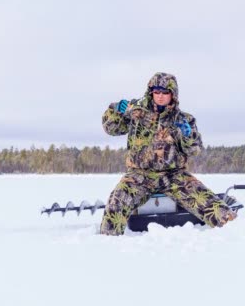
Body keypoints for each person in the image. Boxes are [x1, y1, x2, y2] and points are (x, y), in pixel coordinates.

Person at [100, 72, 237, 235]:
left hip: (174, 175)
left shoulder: (184, 119)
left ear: (173, 94)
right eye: (156, 92)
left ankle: (238, 234)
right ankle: (107, 244)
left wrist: (187, 135)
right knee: (116, 203)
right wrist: (116, 111)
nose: (160, 96)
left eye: (165, 92)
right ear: (151, 92)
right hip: (139, 175)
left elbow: (193, 150)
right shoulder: (136, 113)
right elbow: (111, 128)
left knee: (212, 205)